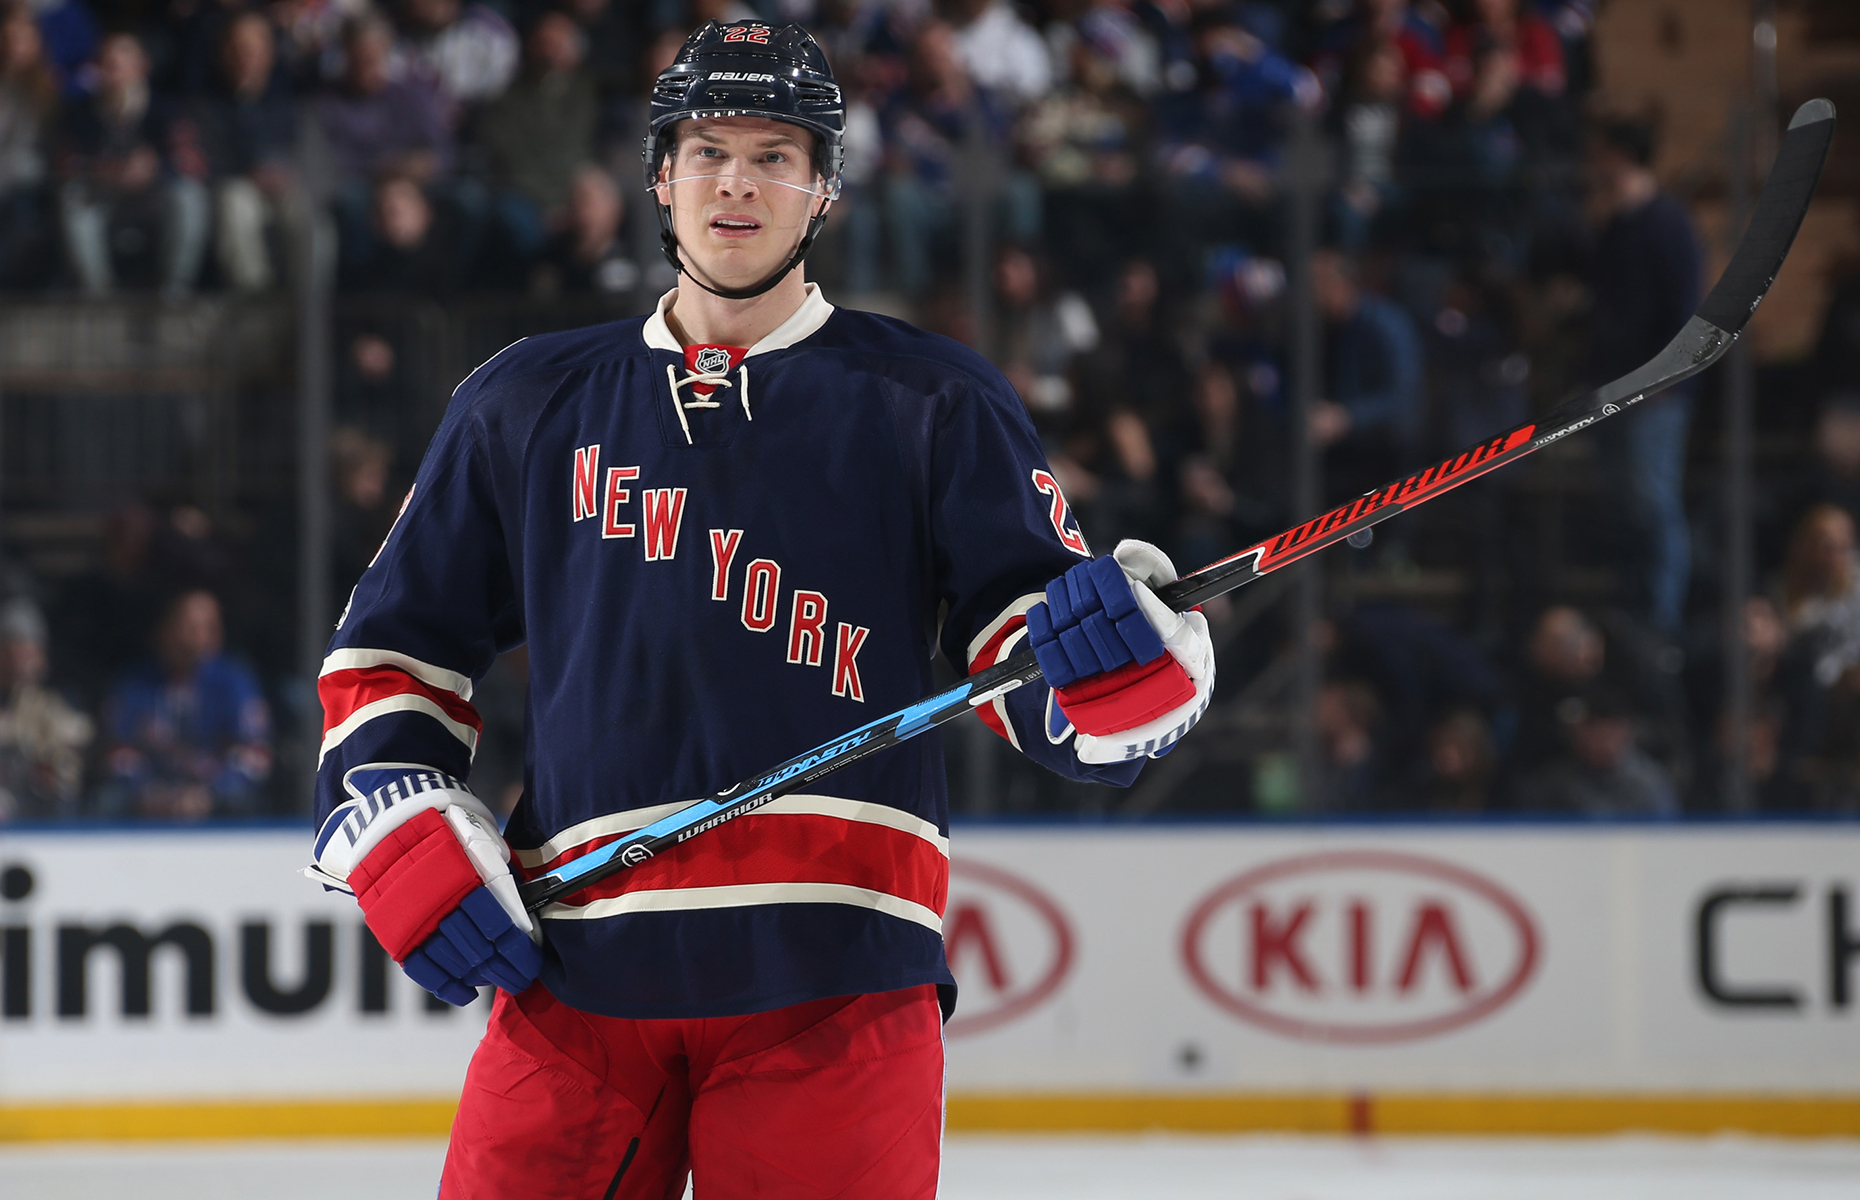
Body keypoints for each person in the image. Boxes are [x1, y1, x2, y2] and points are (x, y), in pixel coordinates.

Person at [305, 22, 1215, 1197]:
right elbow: (393, 648)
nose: (736, 182)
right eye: (708, 151)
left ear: (824, 186)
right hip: (577, 973)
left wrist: (1122, 671)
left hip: (838, 967)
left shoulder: (930, 399)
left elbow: (1029, 666)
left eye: (775, 155)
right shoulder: (524, 402)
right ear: (660, 177)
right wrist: (395, 811)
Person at [1584, 113, 1700, 637]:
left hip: (1654, 393)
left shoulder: (1667, 223)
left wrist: (1666, 379)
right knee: (1622, 507)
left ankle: (1660, 623)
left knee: (1652, 503)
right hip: (1612, 387)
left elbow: (1684, 309)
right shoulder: (1615, 226)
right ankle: (1629, 615)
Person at [101, 588, 272, 819]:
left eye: (209, 627)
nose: (201, 637)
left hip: (219, 806)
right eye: (191, 627)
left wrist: (212, 795)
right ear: (165, 629)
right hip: (149, 804)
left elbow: (256, 754)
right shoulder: (134, 683)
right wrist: (149, 793)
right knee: (107, 800)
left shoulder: (234, 681)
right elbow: (117, 751)